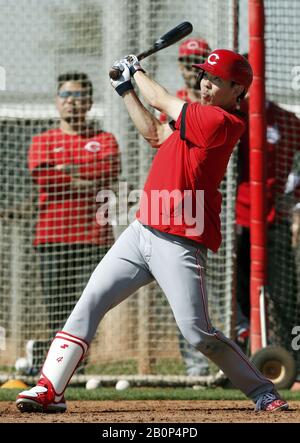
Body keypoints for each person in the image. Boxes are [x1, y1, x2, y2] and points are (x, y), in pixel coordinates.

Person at [16, 49, 288, 413]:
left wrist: (136, 69)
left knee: (198, 333)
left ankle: (263, 392)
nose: (205, 84)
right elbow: (156, 132)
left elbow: (160, 99)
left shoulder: (222, 121)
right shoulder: (192, 119)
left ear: (237, 89)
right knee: (89, 303)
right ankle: (50, 389)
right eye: (204, 77)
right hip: (142, 229)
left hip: (180, 239)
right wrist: (126, 89)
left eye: (216, 80)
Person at [25, 72, 120, 374]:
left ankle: (77, 368)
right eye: (66, 96)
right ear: (57, 101)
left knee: (88, 309)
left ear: (89, 102)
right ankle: (56, 371)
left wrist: (67, 169)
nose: (72, 103)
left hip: (93, 239)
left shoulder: (104, 139)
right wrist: (82, 179)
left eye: (79, 97)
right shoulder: (43, 140)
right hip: (51, 239)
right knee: (57, 310)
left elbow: (108, 169)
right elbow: (43, 176)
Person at [160, 37, 211, 377]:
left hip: (209, 208)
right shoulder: (174, 102)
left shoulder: (216, 107)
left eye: (199, 60)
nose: (191, 67)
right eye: (187, 60)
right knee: (184, 298)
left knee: (216, 295)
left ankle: (235, 363)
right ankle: (195, 369)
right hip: (175, 208)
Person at [235, 95, 300, 360]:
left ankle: (292, 358)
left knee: (286, 296)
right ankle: (235, 358)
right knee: (236, 294)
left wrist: (295, 203)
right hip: (237, 224)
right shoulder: (233, 115)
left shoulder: (287, 120)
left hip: (275, 221)